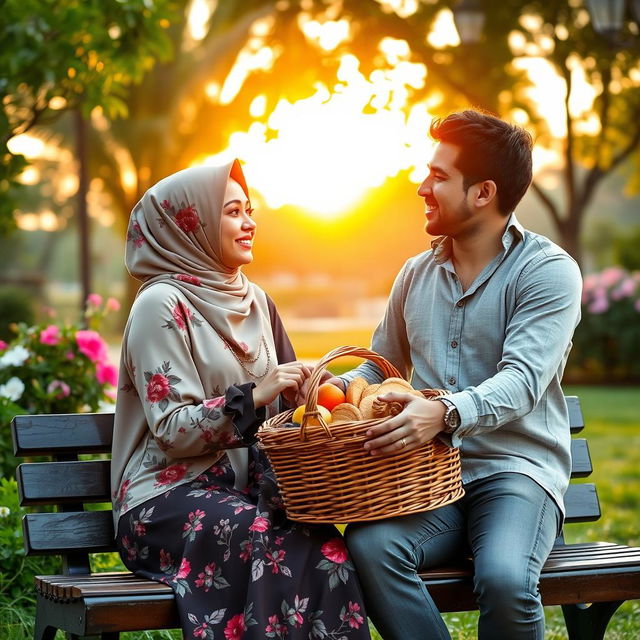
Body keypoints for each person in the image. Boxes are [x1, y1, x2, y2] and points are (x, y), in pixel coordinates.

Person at [336, 110, 582, 639]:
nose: (422, 187)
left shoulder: (547, 271)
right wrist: (334, 388)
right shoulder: (415, 274)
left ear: (482, 193)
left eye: (438, 176)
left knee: (505, 578)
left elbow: (522, 380)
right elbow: (381, 365)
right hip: (428, 483)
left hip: (516, 474)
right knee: (369, 545)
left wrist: (444, 412)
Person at [111, 160, 372, 640]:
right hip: (164, 501)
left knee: (328, 551)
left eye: (249, 210)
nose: (250, 222)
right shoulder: (161, 305)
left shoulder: (258, 302)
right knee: (266, 541)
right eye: (233, 211)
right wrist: (259, 392)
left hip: (247, 494)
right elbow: (171, 431)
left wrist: (306, 391)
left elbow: (293, 414)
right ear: (192, 225)